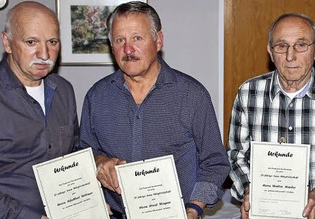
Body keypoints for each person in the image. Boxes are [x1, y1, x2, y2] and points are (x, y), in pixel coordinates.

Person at [77, 2, 230, 219]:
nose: (128, 50)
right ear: (112, 47)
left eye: (137, 38)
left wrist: (194, 208)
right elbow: (84, 152)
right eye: (120, 40)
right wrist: (99, 162)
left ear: (158, 41)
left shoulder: (192, 95)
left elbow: (215, 162)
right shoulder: (97, 97)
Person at [226, 13, 315, 219]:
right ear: (270, 52)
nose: (290, 56)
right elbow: (236, 154)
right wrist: (249, 190)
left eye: (301, 45)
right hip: (262, 211)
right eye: (281, 46)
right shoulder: (248, 93)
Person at [0, 1, 79, 218]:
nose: (44, 54)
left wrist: (87, 201)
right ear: (7, 42)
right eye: (31, 42)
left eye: (52, 42)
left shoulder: (64, 90)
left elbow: (72, 154)